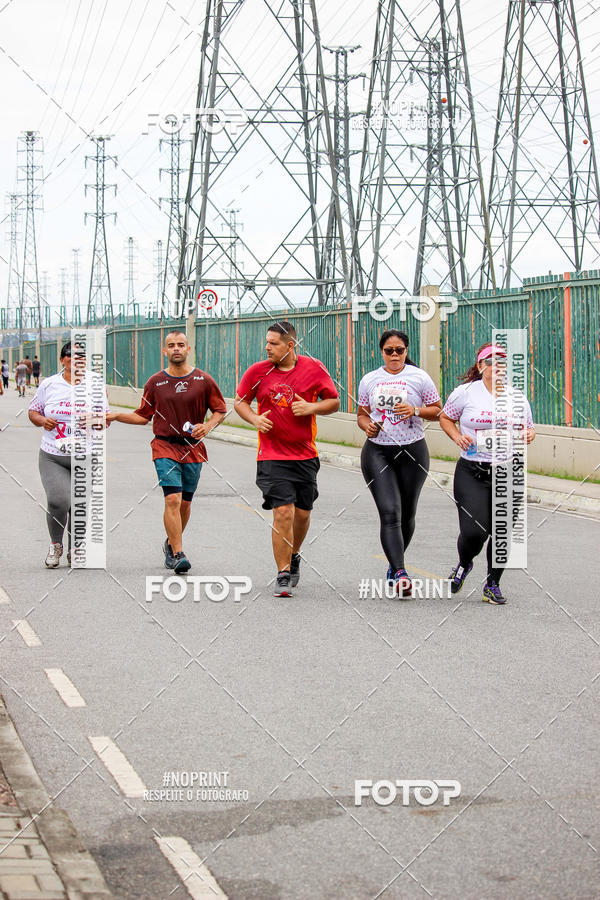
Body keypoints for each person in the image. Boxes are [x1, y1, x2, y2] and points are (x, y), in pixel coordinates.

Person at [234, 321, 340, 597]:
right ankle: (282, 571)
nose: (266, 347)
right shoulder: (258, 372)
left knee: (302, 515)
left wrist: (311, 407)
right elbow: (240, 401)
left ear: (290, 345)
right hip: (271, 455)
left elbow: (334, 401)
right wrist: (255, 419)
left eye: (273, 343)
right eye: (266, 342)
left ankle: (294, 554)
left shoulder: (313, 368)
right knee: (283, 511)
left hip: (305, 454)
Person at [107, 330, 227, 574]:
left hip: (193, 448)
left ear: (188, 349)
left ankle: (171, 543)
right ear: (164, 350)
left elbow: (220, 410)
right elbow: (143, 416)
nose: (176, 349)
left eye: (181, 345)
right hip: (164, 446)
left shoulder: (203, 380)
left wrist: (208, 425)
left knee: (185, 503)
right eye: (171, 345)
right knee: (172, 498)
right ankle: (179, 553)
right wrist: (116, 415)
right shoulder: (155, 382)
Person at [439, 343, 535, 605]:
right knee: (474, 532)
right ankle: (464, 563)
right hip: (472, 470)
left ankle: (493, 584)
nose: (497, 367)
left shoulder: (517, 397)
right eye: (491, 362)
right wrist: (457, 436)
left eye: (502, 362)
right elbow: (445, 418)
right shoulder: (465, 393)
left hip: (507, 471)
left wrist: (529, 435)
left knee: (501, 532)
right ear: (481, 366)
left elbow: (530, 428)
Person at [357, 329, 442, 598]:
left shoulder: (419, 377)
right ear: (381, 352)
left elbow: (439, 411)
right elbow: (361, 414)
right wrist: (367, 426)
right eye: (389, 351)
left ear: (406, 351)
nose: (394, 355)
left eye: (400, 350)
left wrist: (415, 410)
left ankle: (394, 567)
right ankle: (401, 572)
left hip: (413, 452)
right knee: (390, 512)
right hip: (378, 452)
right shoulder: (370, 379)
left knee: (407, 514)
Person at [28, 341, 109, 567]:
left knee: (79, 504)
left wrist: (94, 419)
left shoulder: (96, 384)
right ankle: (56, 545)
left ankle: (76, 548)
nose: (77, 361)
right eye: (71, 356)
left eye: (82, 357)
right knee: (58, 501)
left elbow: (106, 420)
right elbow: (33, 411)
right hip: (53, 454)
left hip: (86, 455)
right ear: (63, 360)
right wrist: (43, 420)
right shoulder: (49, 384)